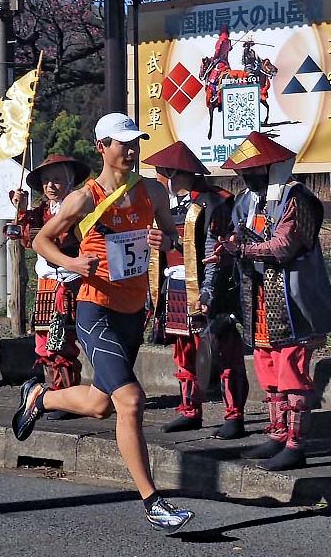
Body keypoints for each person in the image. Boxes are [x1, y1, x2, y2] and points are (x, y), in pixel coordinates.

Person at [12, 113, 194, 532]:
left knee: (98, 404)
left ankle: (39, 397)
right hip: (96, 310)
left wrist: (162, 240)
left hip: (133, 311)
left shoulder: (152, 190)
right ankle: (153, 501)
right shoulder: (84, 198)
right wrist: (73, 262)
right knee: (129, 400)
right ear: (102, 148)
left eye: (136, 143)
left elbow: (173, 236)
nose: (130, 150)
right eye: (121, 143)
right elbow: (41, 239)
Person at [207, 131, 331, 471]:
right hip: (258, 298)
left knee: (292, 371)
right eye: (243, 171)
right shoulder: (247, 201)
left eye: (254, 170)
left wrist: (241, 249)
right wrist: (227, 249)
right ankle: (278, 433)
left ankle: (296, 445)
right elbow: (238, 233)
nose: (247, 177)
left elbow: (284, 246)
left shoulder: (297, 198)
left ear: (273, 167)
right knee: (267, 367)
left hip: (292, 301)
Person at [142, 141, 248, 439]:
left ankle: (234, 415)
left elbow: (216, 251)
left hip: (208, 289)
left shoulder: (215, 202)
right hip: (174, 285)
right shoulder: (163, 206)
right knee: (184, 353)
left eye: (161, 172)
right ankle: (189, 411)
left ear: (175, 173)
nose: (158, 179)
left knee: (222, 353)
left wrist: (209, 293)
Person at [10, 154, 90, 420]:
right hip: (47, 282)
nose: (51, 186)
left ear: (69, 182)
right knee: (46, 341)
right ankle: (58, 393)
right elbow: (25, 238)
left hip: (72, 280)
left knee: (64, 339)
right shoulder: (40, 212)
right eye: (46, 181)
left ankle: (69, 396)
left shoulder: (80, 209)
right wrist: (20, 208)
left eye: (57, 180)